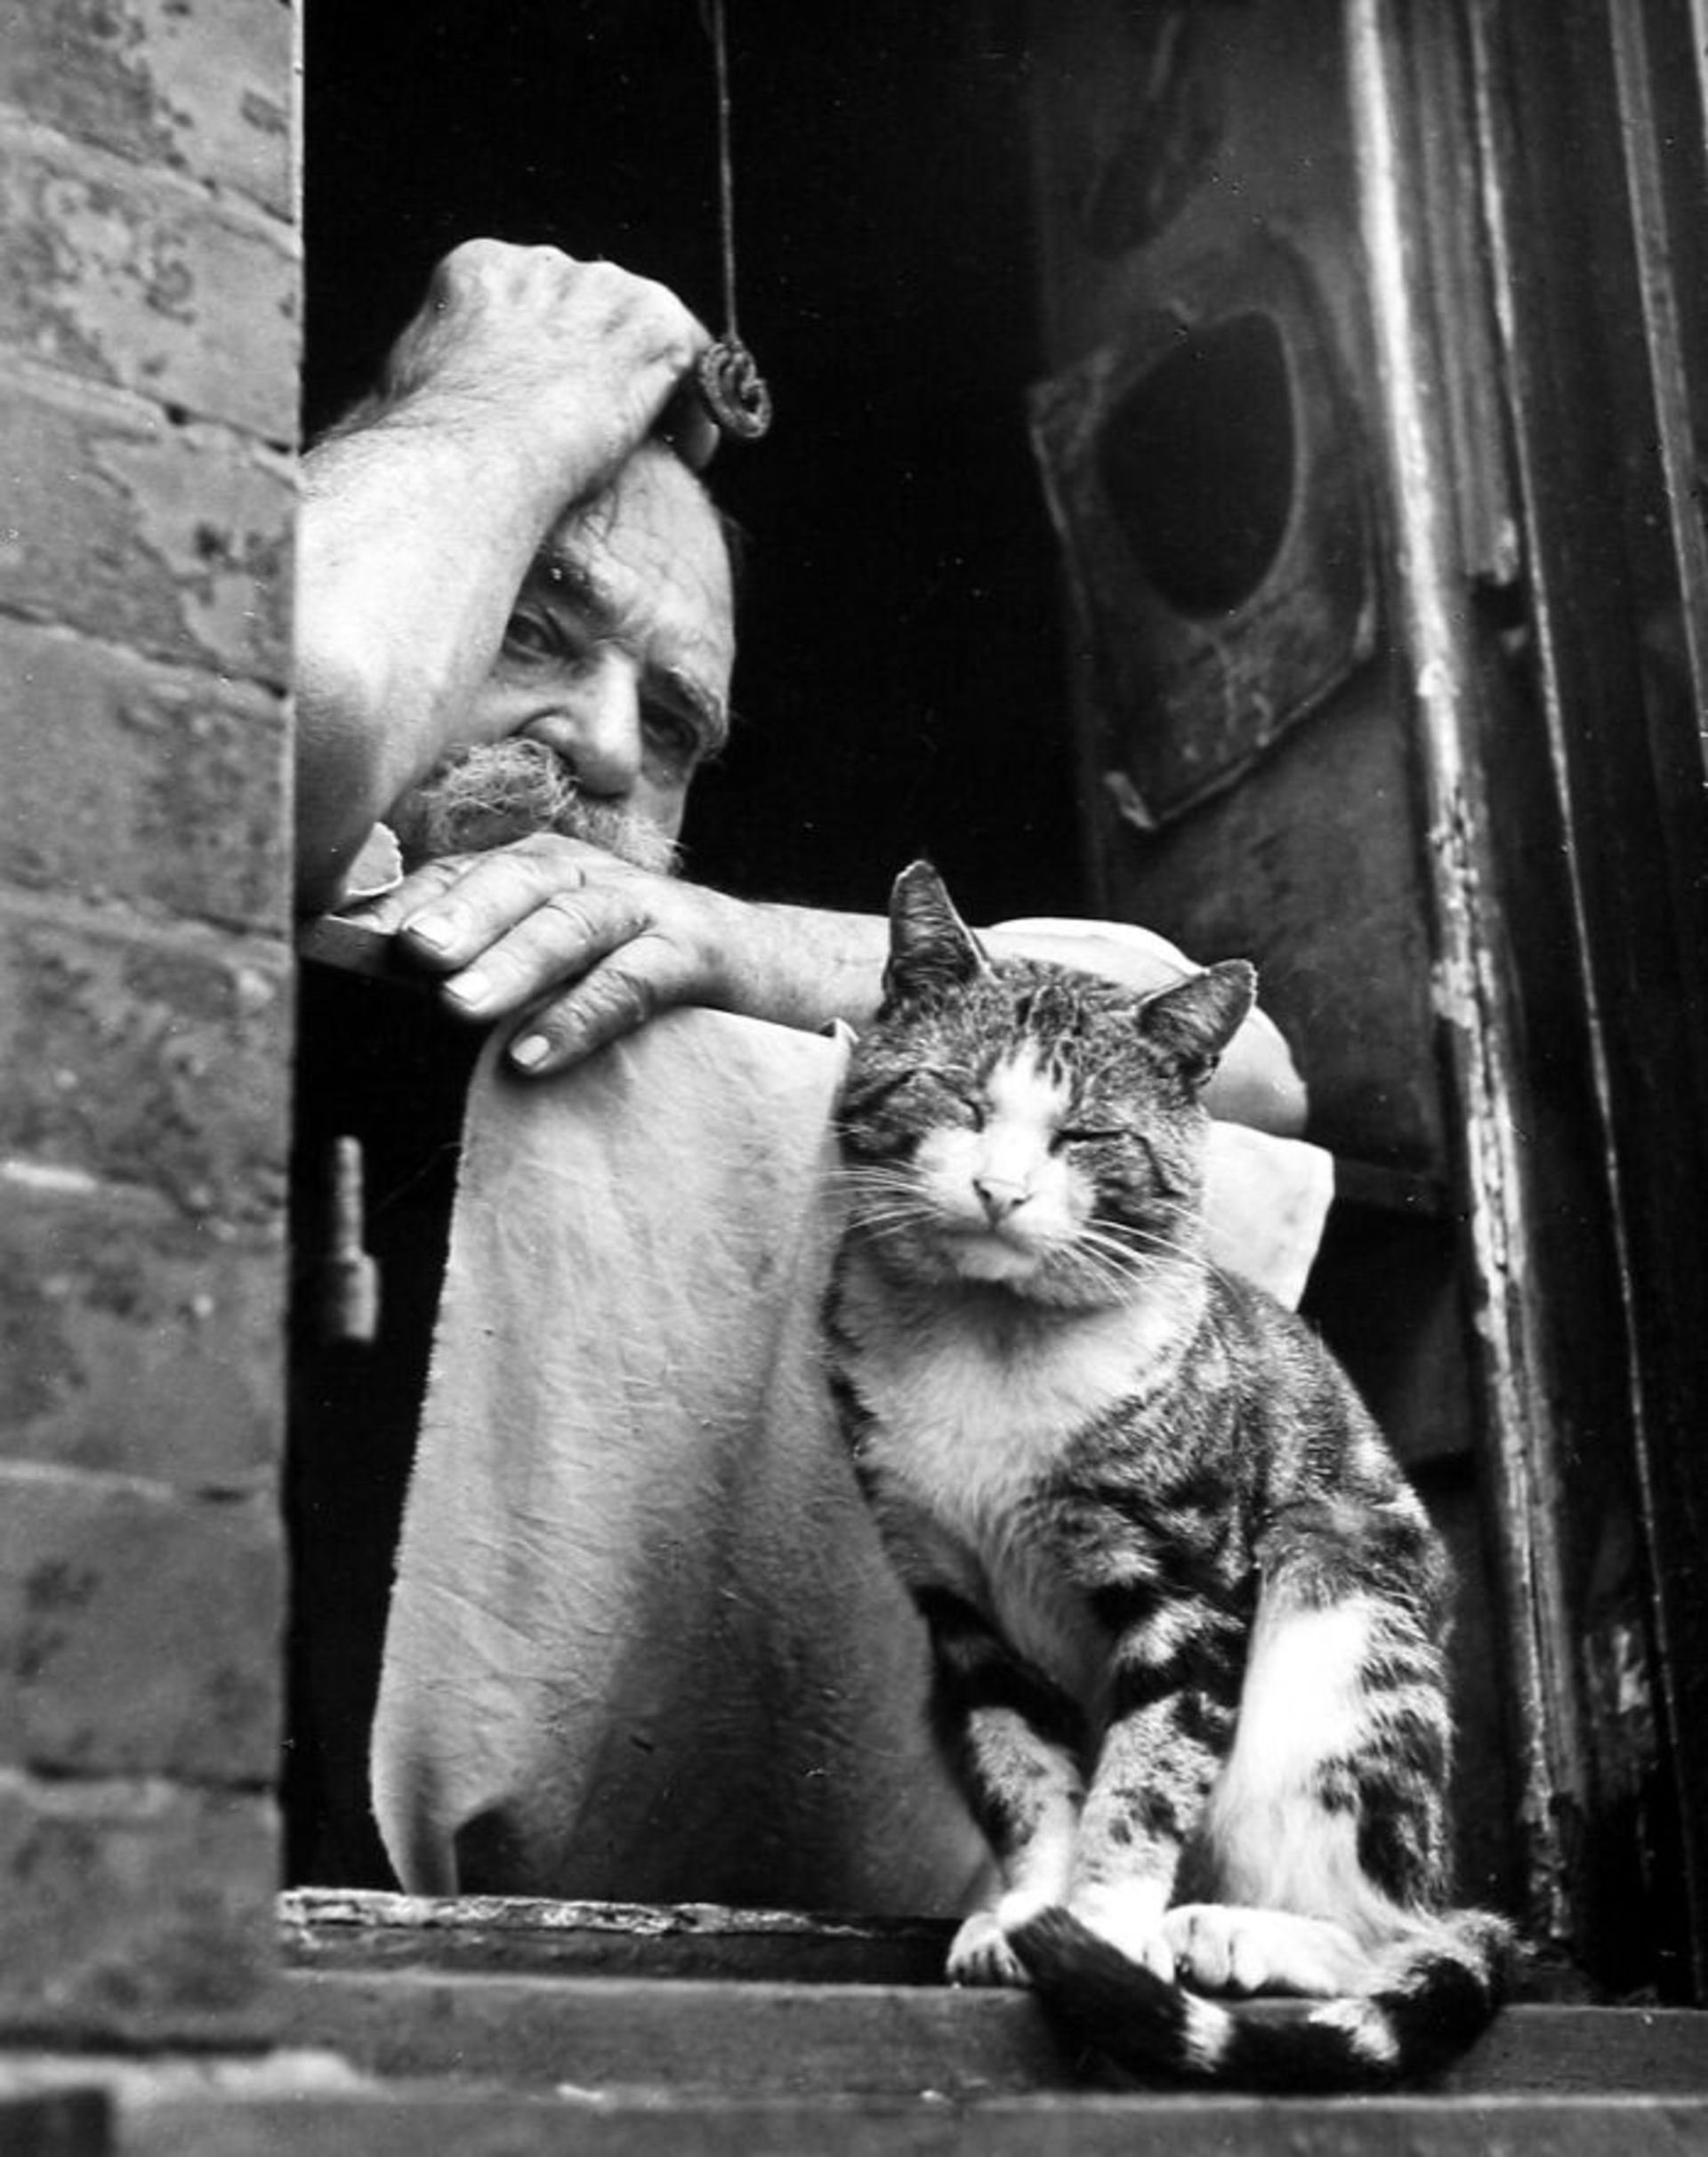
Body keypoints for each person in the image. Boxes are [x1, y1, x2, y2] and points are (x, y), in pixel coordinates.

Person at [290, 239, 1324, 1907]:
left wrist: (739, 946)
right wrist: (493, 401)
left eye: (674, 725)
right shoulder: (238, 777)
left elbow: (1250, 1068)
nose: (607, 747)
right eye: (533, 624)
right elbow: (269, 733)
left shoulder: (696, 971)